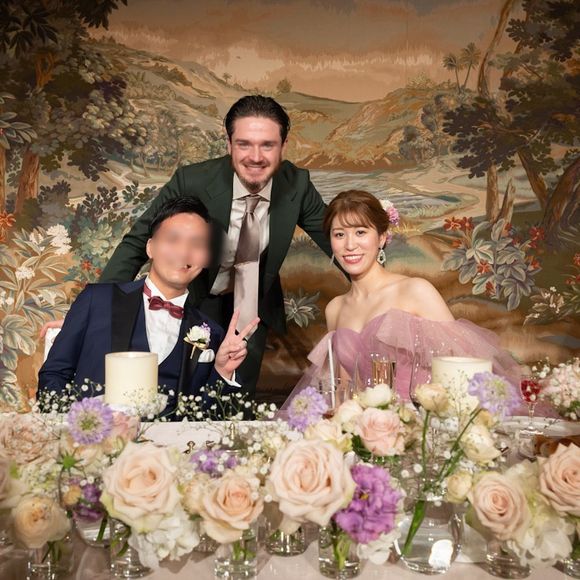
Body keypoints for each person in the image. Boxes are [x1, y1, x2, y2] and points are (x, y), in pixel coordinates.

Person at [41, 95, 333, 400]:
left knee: (235, 397)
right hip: (196, 299)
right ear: (229, 144)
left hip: (251, 308)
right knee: (182, 393)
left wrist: (368, 295)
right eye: (244, 144)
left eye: (267, 145)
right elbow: (140, 240)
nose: (255, 157)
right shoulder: (193, 180)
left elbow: (338, 241)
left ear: (284, 146)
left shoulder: (297, 185)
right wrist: (97, 312)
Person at [281, 190, 520, 407]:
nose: (350, 245)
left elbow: (461, 370)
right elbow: (343, 389)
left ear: (381, 237)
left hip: (418, 424)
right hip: (364, 428)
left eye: (360, 232)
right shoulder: (335, 308)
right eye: (339, 234)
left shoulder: (415, 291)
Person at [38, 197, 258, 412]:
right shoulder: (96, 300)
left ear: (207, 257)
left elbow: (204, 418)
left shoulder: (213, 333)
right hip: (95, 433)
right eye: (173, 239)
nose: (184, 252)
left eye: (196, 244)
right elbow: (54, 375)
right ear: (150, 247)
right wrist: (81, 427)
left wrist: (222, 371)